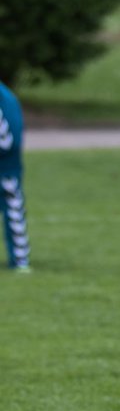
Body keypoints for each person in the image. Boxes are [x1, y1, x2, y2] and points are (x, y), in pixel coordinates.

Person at [0, 80, 31, 272]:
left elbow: (6, 141)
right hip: (9, 168)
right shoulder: (6, 95)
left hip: (6, 169)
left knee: (13, 212)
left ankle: (20, 260)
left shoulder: (4, 99)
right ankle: (20, 261)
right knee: (14, 211)